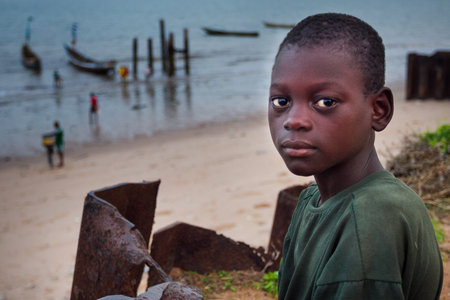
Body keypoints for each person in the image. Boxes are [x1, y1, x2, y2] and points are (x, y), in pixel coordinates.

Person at [268, 13, 442, 299]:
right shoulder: (313, 200)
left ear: (379, 110)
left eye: (325, 102)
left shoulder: (371, 222)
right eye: (281, 101)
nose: (294, 120)